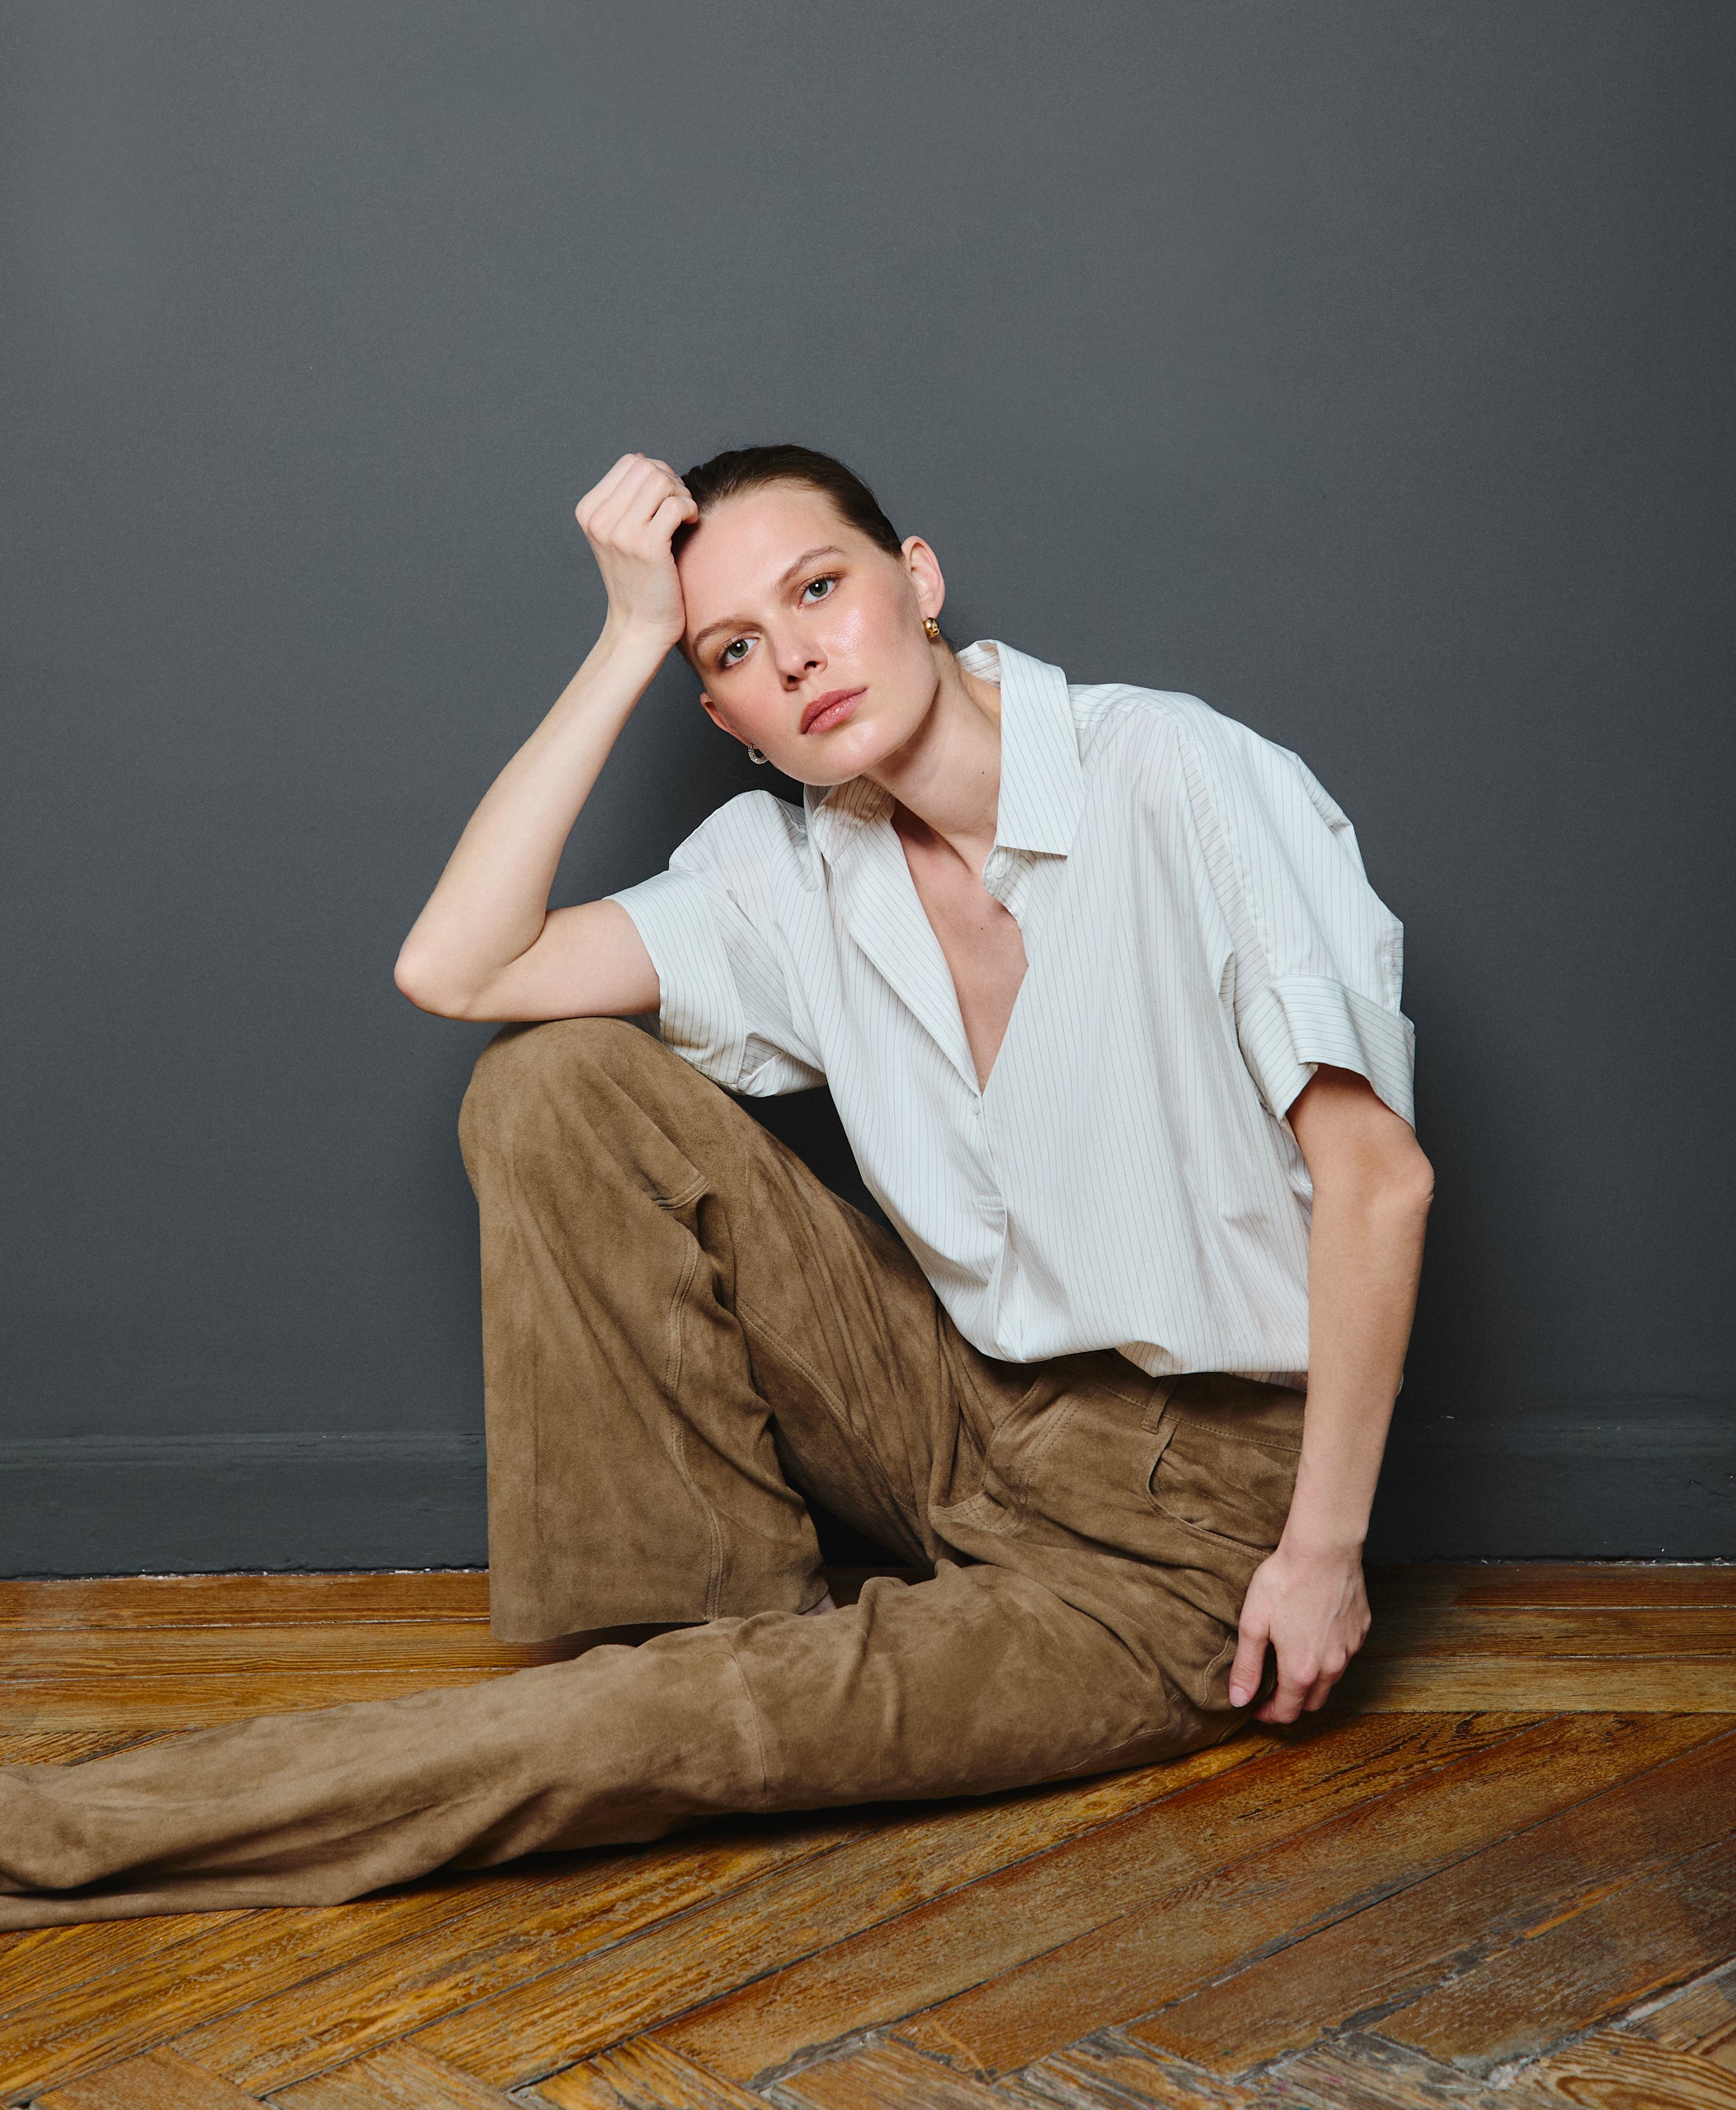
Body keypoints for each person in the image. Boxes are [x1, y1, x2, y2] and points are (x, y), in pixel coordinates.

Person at [0, 445, 1432, 1927]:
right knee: (552, 1077)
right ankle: (701, 1629)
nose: (798, 654)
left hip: (1186, 1528)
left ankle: (45, 1837)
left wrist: (1319, 1555)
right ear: (722, 713)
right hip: (966, 1406)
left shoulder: (1177, 771)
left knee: (630, 1737)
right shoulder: (796, 867)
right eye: (734, 648)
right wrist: (626, 639)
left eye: (821, 589)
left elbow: (1377, 1184)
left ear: (918, 580)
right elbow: (459, 967)